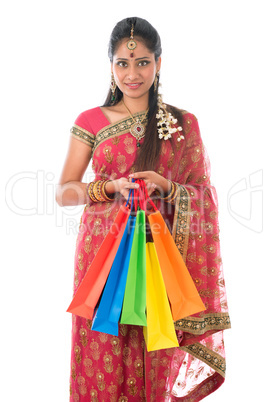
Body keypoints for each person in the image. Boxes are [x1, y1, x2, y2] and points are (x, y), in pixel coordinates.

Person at [56, 16, 231, 402]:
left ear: (159, 63)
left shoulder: (184, 123)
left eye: (142, 62)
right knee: (104, 341)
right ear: (111, 65)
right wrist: (110, 187)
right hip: (103, 255)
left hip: (161, 254)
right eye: (122, 63)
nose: (132, 74)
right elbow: (65, 192)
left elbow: (203, 194)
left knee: (157, 342)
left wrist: (167, 186)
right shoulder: (91, 121)